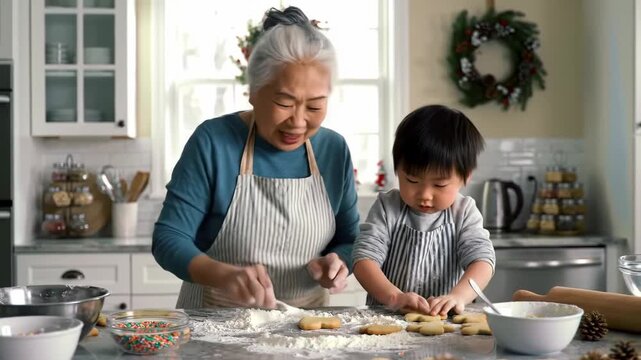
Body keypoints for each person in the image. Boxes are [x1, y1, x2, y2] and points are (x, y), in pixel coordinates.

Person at [152, 6, 359, 310]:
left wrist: (339, 262)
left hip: (307, 335)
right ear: (253, 91)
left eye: (314, 107)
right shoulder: (214, 142)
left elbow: (352, 239)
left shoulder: (334, 150)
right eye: (284, 103)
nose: (298, 122)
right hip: (215, 332)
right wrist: (221, 275)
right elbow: (169, 238)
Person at [352, 104, 495, 316]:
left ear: (466, 177)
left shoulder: (464, 212)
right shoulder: (387, 207)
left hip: (446, 323)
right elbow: (364, 259)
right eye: (411, 180)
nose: (425, 195)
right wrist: (394, 297)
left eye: (439, 185)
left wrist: (458, 296)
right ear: (397, 170)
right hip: (388, 318)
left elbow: (482, 261)